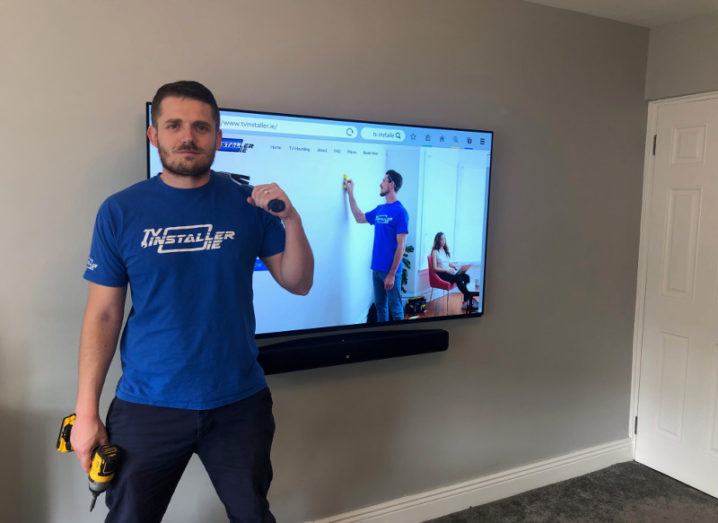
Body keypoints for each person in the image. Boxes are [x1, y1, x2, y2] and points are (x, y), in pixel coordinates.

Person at [70, 80, 313, 522]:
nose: (188, 137)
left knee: (252, 515)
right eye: (174, 125)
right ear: (154, 134)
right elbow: (103, 314)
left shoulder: (249, 204)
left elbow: (298, 283)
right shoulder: (120, 211)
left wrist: (292, 219)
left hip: (239, 403)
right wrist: (85, 412)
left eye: (201, 127)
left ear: (218, 138)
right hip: (148, 405)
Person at [345, 170, 409, 322]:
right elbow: (359, 217)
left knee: (396, 309)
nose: (380, 184)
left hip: (391, 271)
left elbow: (402, 246)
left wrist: (392, 274)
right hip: (377, 269)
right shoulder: (380, 209)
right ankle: (383, 338)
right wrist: (350, 193)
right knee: (380, 306)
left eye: (384, 180)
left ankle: (399, 341)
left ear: (392, 184)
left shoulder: (401, 212)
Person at [430, 232, 476, 311]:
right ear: (437, 240)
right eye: (441, 239)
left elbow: (447, 263)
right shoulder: (435, 252)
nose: (443, 241)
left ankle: (466, 301)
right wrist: (446, 270)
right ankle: (469, 299)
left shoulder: (444, 250)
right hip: (441, 274)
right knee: (458, 278)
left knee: (466, 277)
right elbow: (434, 268)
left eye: (444, 239)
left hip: (448, 271)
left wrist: (454, 266)